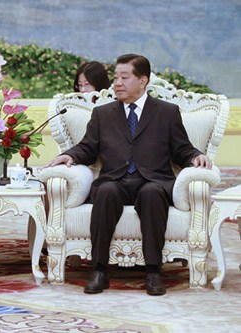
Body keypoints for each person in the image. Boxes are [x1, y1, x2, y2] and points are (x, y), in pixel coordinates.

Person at [45, 54, 212, 296]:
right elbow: (88, 147)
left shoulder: (167, 112)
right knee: (105, 191)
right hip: (116, 179)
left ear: (143, 80)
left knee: (153, 194)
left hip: (153, 180)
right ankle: (99, 269)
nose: (117, 83)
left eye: (125, 77)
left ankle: (154, 271)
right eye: (115, 77)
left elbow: (181, 148)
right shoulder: (103, 114)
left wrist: (196, 156)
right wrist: (70, 156)